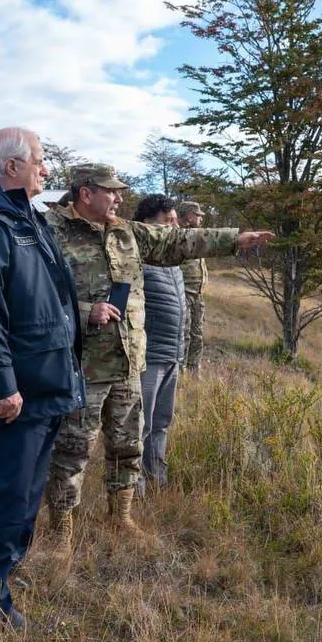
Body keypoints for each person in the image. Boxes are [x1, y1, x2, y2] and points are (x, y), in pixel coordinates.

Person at [42, 164, 273, 551]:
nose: (119, 198)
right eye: (111, 191)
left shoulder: (128, 232)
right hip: (83, 365)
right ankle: (61, 529)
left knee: (128, 443)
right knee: (73, 448)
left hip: (128, 361)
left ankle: (120, 516)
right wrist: (84, 313)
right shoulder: (51, 232)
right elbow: (36, 294)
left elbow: (178, 242)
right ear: (86, 193)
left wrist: (236, 239)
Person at [0, 127, 84, 629]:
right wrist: (2, 384)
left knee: (28, 492)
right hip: (18, 386)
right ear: (11, 166)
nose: (46, 169)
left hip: (45, 378)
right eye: (39, 160)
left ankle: (7, 570)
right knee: (10, 492)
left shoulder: (26, 215)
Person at [132, 195, 185, 492]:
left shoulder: (173, 261)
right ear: (147, 224)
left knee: (162, 421)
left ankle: (157, 480)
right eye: (168, 221)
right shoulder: (137, 259)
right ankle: (135, 489)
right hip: (148, 358)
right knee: (141, 425)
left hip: (172, 356)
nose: (175, 226)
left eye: (175, 220)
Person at [177, 201, 209, 371]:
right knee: (184, 333)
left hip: (197, 294)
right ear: (189, 216)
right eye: (198, 216)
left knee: (197, 333)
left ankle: (194, 367)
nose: (200, 219)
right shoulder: (178, 235)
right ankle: (179, 370)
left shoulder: (197, 235)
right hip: (184, 293)